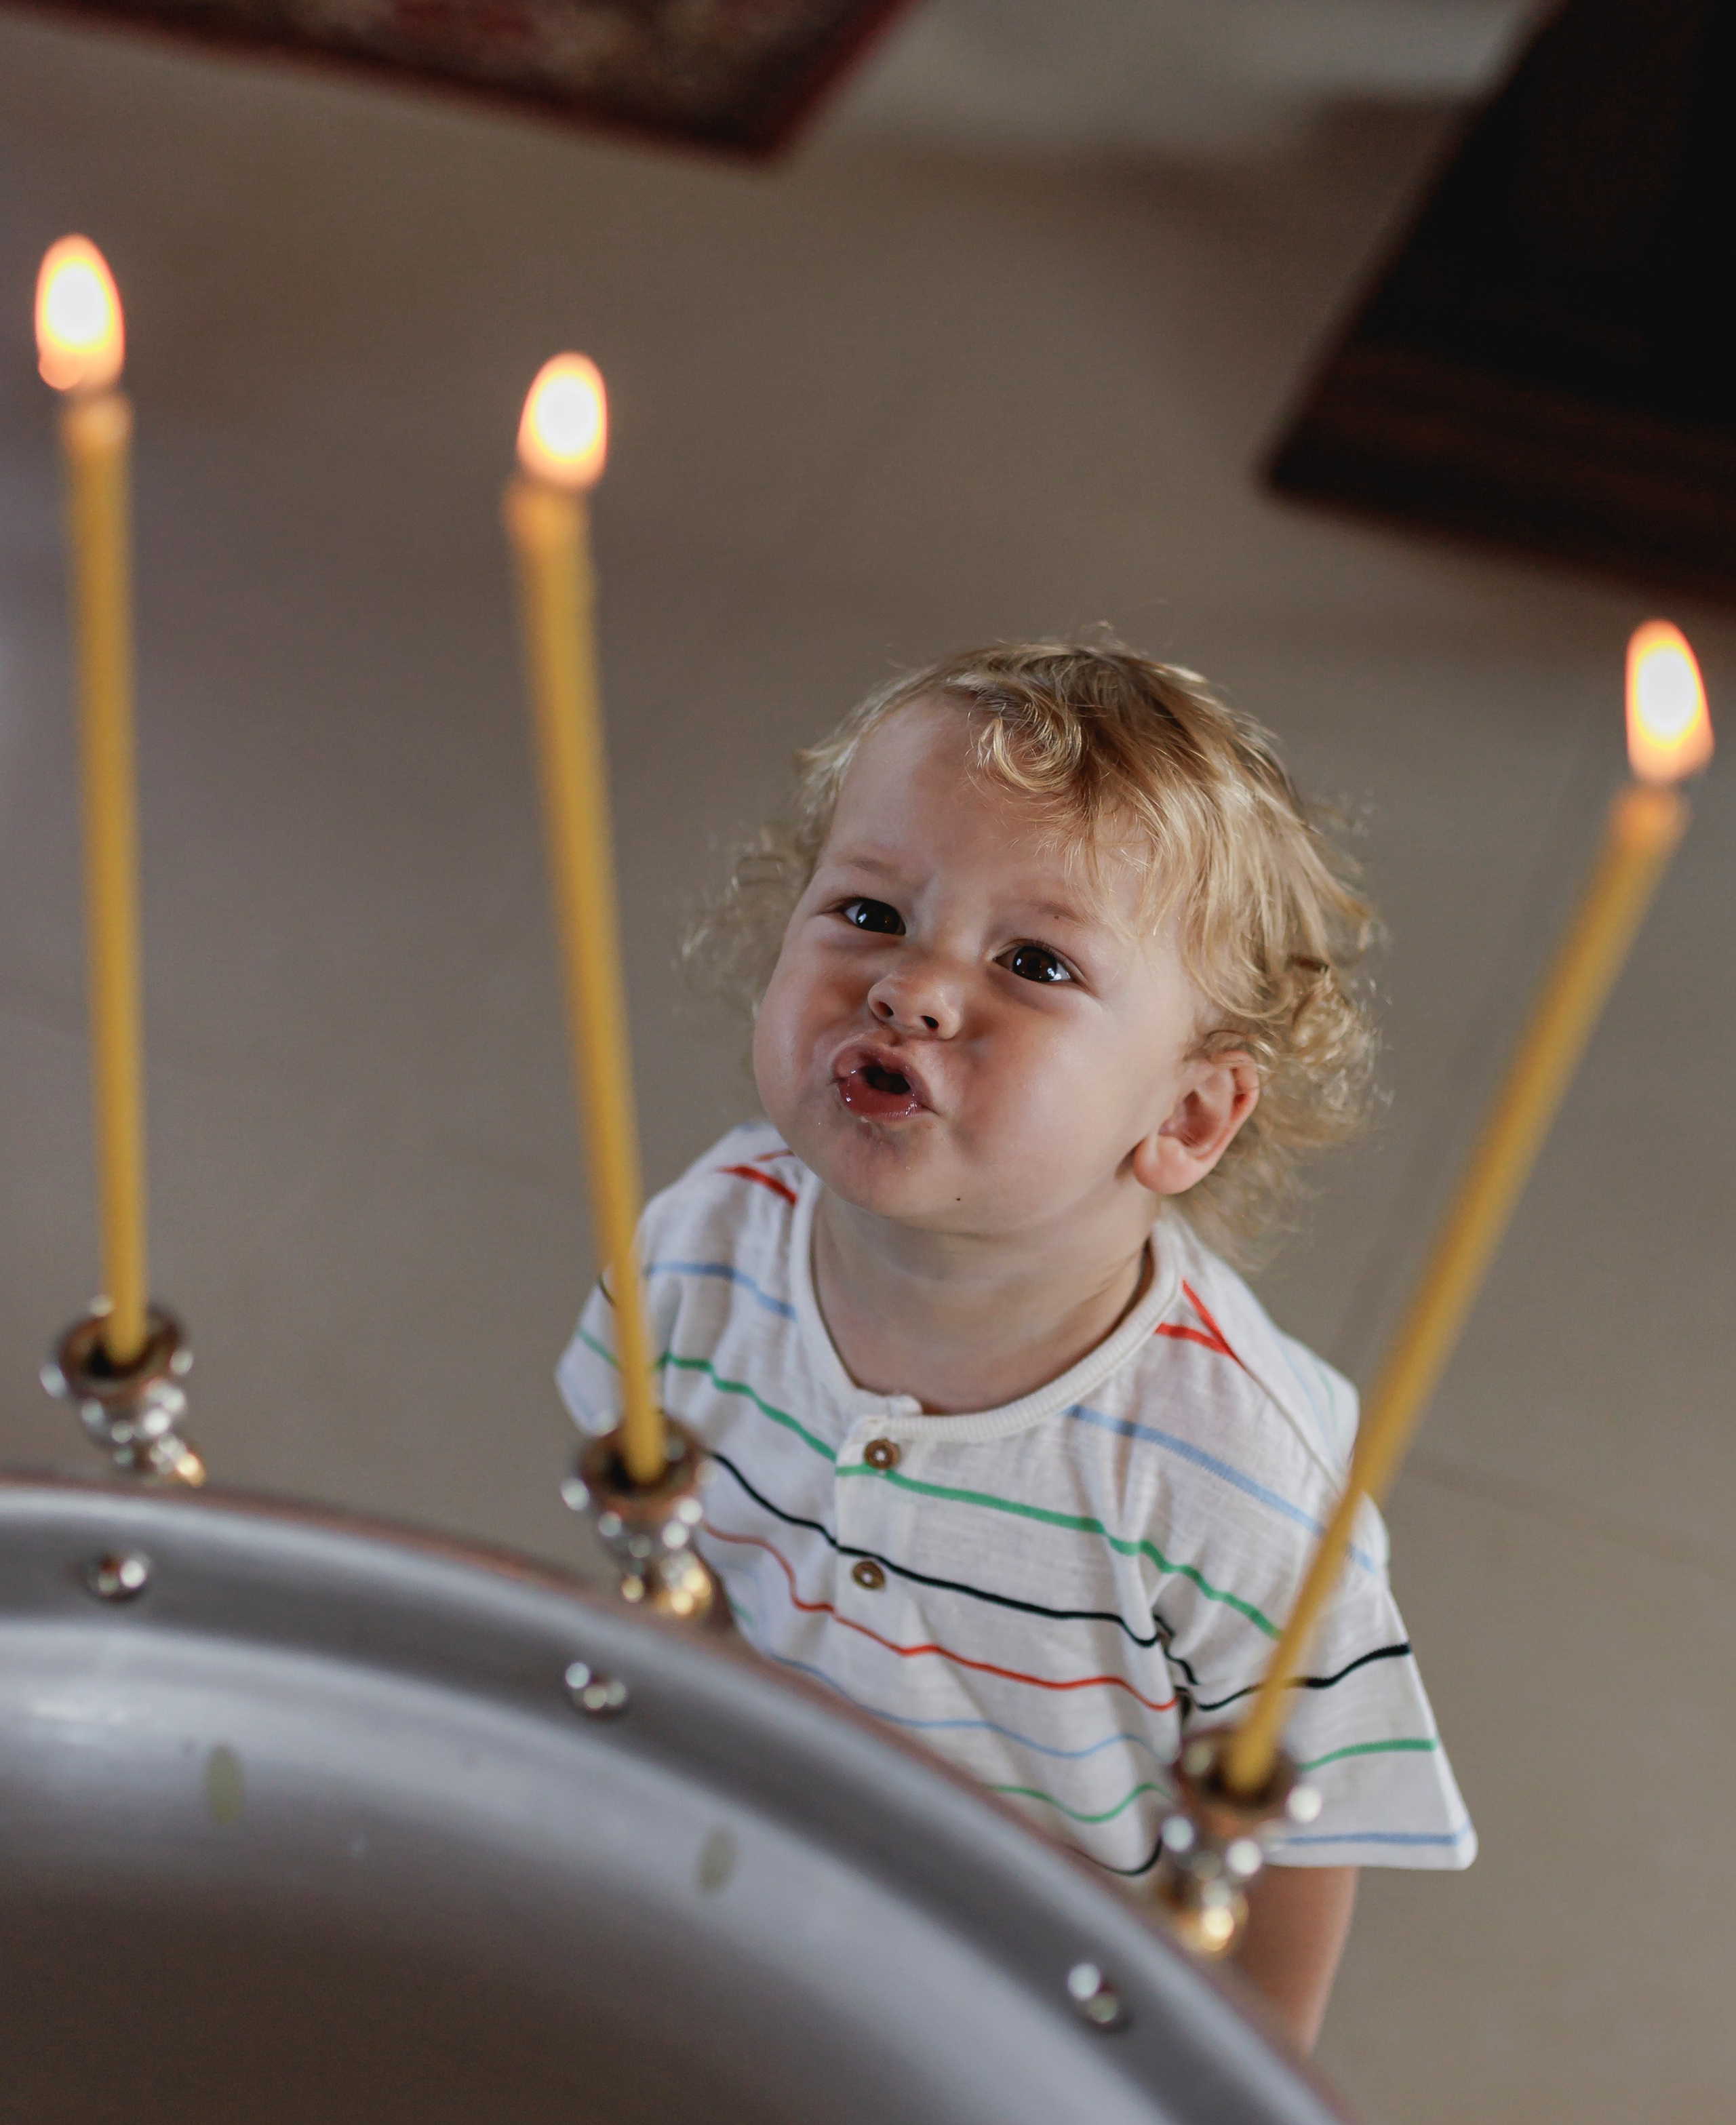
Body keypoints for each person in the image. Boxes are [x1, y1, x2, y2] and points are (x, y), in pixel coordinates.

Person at [559, 641, 1474, 2050]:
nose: (912, 988)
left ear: (1185, 1117)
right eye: (869, 910)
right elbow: (653, 1562)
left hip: (1046, 2004)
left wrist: (1237, 2080)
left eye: (1033, 962)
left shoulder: (1238, 1477)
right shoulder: (700, 1246)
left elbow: (1296, 1827)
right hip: (757, 1885)